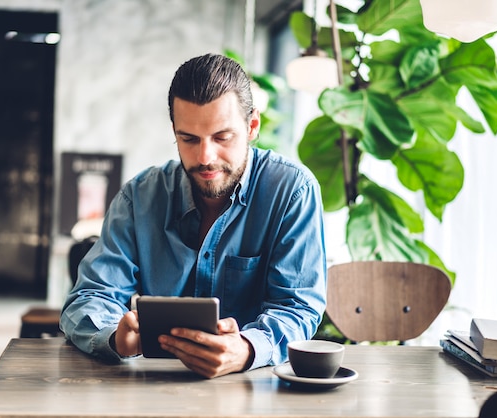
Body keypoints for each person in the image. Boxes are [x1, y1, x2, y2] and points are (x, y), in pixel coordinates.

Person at [60, 53, 327, 379]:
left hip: (256, 389)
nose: (205, 157)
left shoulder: (293, 192)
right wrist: (115, 337)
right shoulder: (140, 197)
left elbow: (298, 308)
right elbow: (89, 297)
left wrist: (246, 347)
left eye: (222, 137)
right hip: (152, 389)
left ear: (252, 126)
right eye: (189, 139)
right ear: (174, 131)